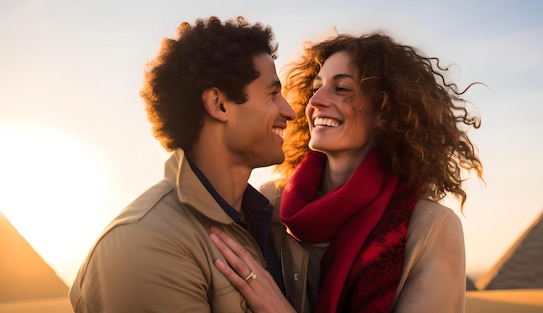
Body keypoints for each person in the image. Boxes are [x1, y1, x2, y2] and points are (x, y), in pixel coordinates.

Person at [209, 31, 484, 313]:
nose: (315, 101)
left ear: (386, 113)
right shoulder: (267, 204)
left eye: (341, 89)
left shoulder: (430, 228)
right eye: (316, 87)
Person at [69, 16, 299, 312]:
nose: (290, 111)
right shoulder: (145, 246)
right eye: (272, 93)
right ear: (219, 104)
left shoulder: (270, 221)